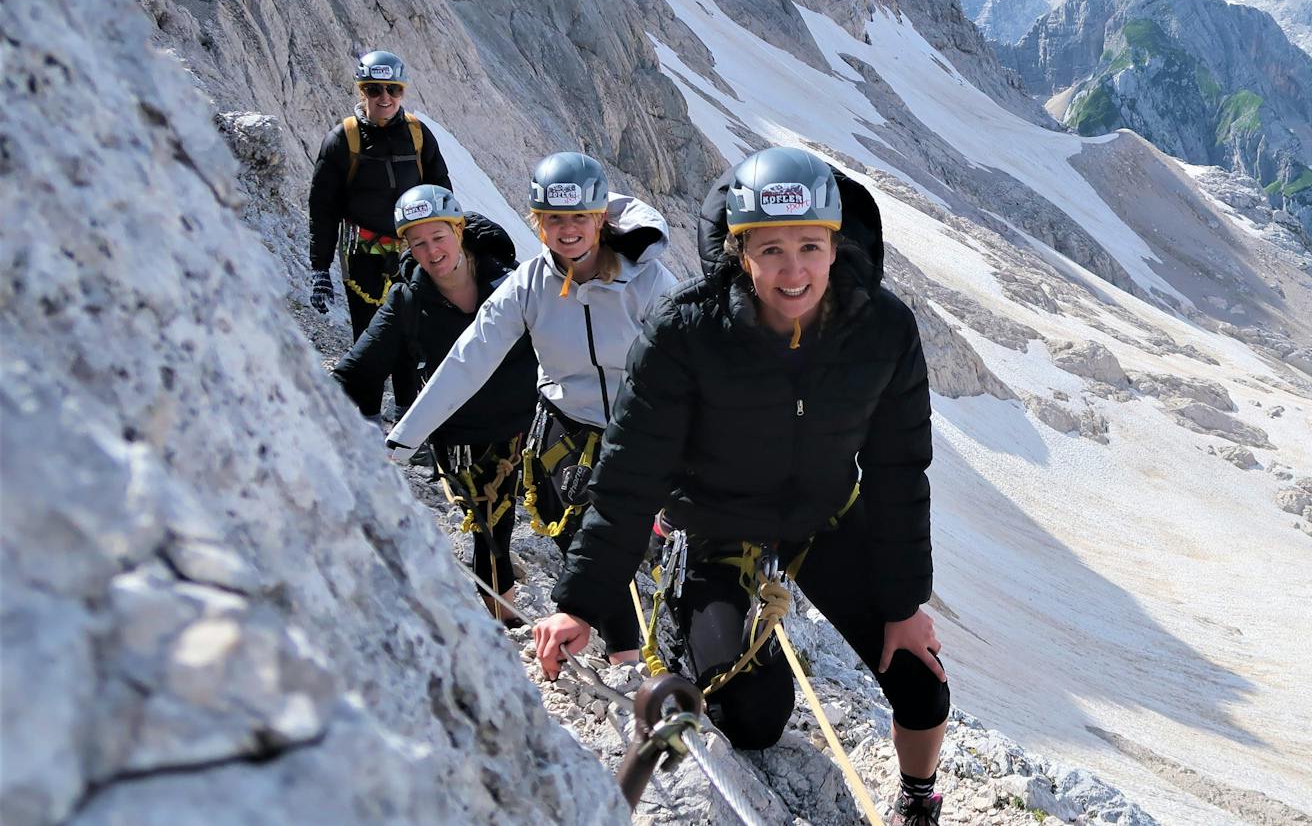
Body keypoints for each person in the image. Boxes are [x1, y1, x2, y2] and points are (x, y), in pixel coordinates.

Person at [535, 147, 950, 826]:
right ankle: (679, 618)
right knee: (754, 718)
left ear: (836, 243)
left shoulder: (882, 331)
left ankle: (917, 800)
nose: (794, 271)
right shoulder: (686, 332)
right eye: (771, 249)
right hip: (717, 522)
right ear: (739, 250)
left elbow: (898, 472)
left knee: (921, 683)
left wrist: (903, 605)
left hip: (823, 516)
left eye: (810, 246)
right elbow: (629, 476)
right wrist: (580, 603)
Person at [389, 152, 676, 662]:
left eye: (578, 218)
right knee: (579, 534)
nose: (567, 231)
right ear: (537, 222)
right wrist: (403, 439)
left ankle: (654, 647)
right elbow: (468, 359)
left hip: (642, 424)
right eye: (553, 219)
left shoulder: (648, 283)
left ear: (599, 219)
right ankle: (625, 655)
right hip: (567, 423)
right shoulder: (531, 285)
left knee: (636, 542)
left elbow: (687, 358)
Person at [332, 185, 536, 621]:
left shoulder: (511, 282)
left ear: (458, 231)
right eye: (418, 243)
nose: (431, 251)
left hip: (532, 431)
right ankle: (504, 617)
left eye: (438, 237)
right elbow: (358, 369)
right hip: (467, 444)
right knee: (491, 527)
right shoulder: (407, 303)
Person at [307, 49, 453, 414]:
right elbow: (323, 207)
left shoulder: (419, 135)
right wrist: (319, 268)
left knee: (412, 337)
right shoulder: (344, 139)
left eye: (393, 89)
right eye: (375, 89)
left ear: (402, 91)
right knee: (369, 339)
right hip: (362, 256)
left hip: (411, 252)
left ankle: (409, 419)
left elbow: (442, 191)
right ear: (362, 91)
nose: (385, 98)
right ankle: (367, 418)